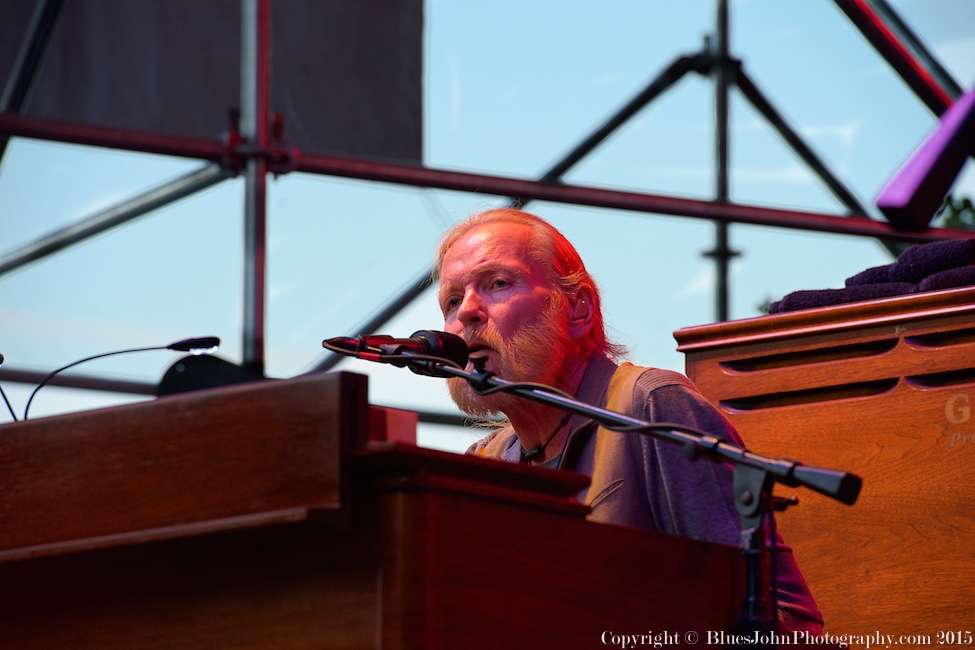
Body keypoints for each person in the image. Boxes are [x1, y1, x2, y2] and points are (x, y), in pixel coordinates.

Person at [434, 207, 823, 634]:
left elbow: (787, 622)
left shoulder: (650, 406)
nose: (467, 312)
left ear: (578, 309)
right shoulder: (485, 463)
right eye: (452, 301)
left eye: (497, 284)